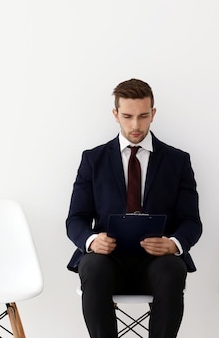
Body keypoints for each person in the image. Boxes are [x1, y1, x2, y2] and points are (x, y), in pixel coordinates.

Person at [66, 78, 202, 338]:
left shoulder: (177, 161)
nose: (135, 125)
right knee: (92, 267)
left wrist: (173, 244)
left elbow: (191, 221)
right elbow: (75, 219)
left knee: (173, 268)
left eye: (143, 116)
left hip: (156, 264)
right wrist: (92, 240)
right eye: (127, 116)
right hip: (107, 262)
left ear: (153, 114)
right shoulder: (93, 160)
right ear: (115, 114)